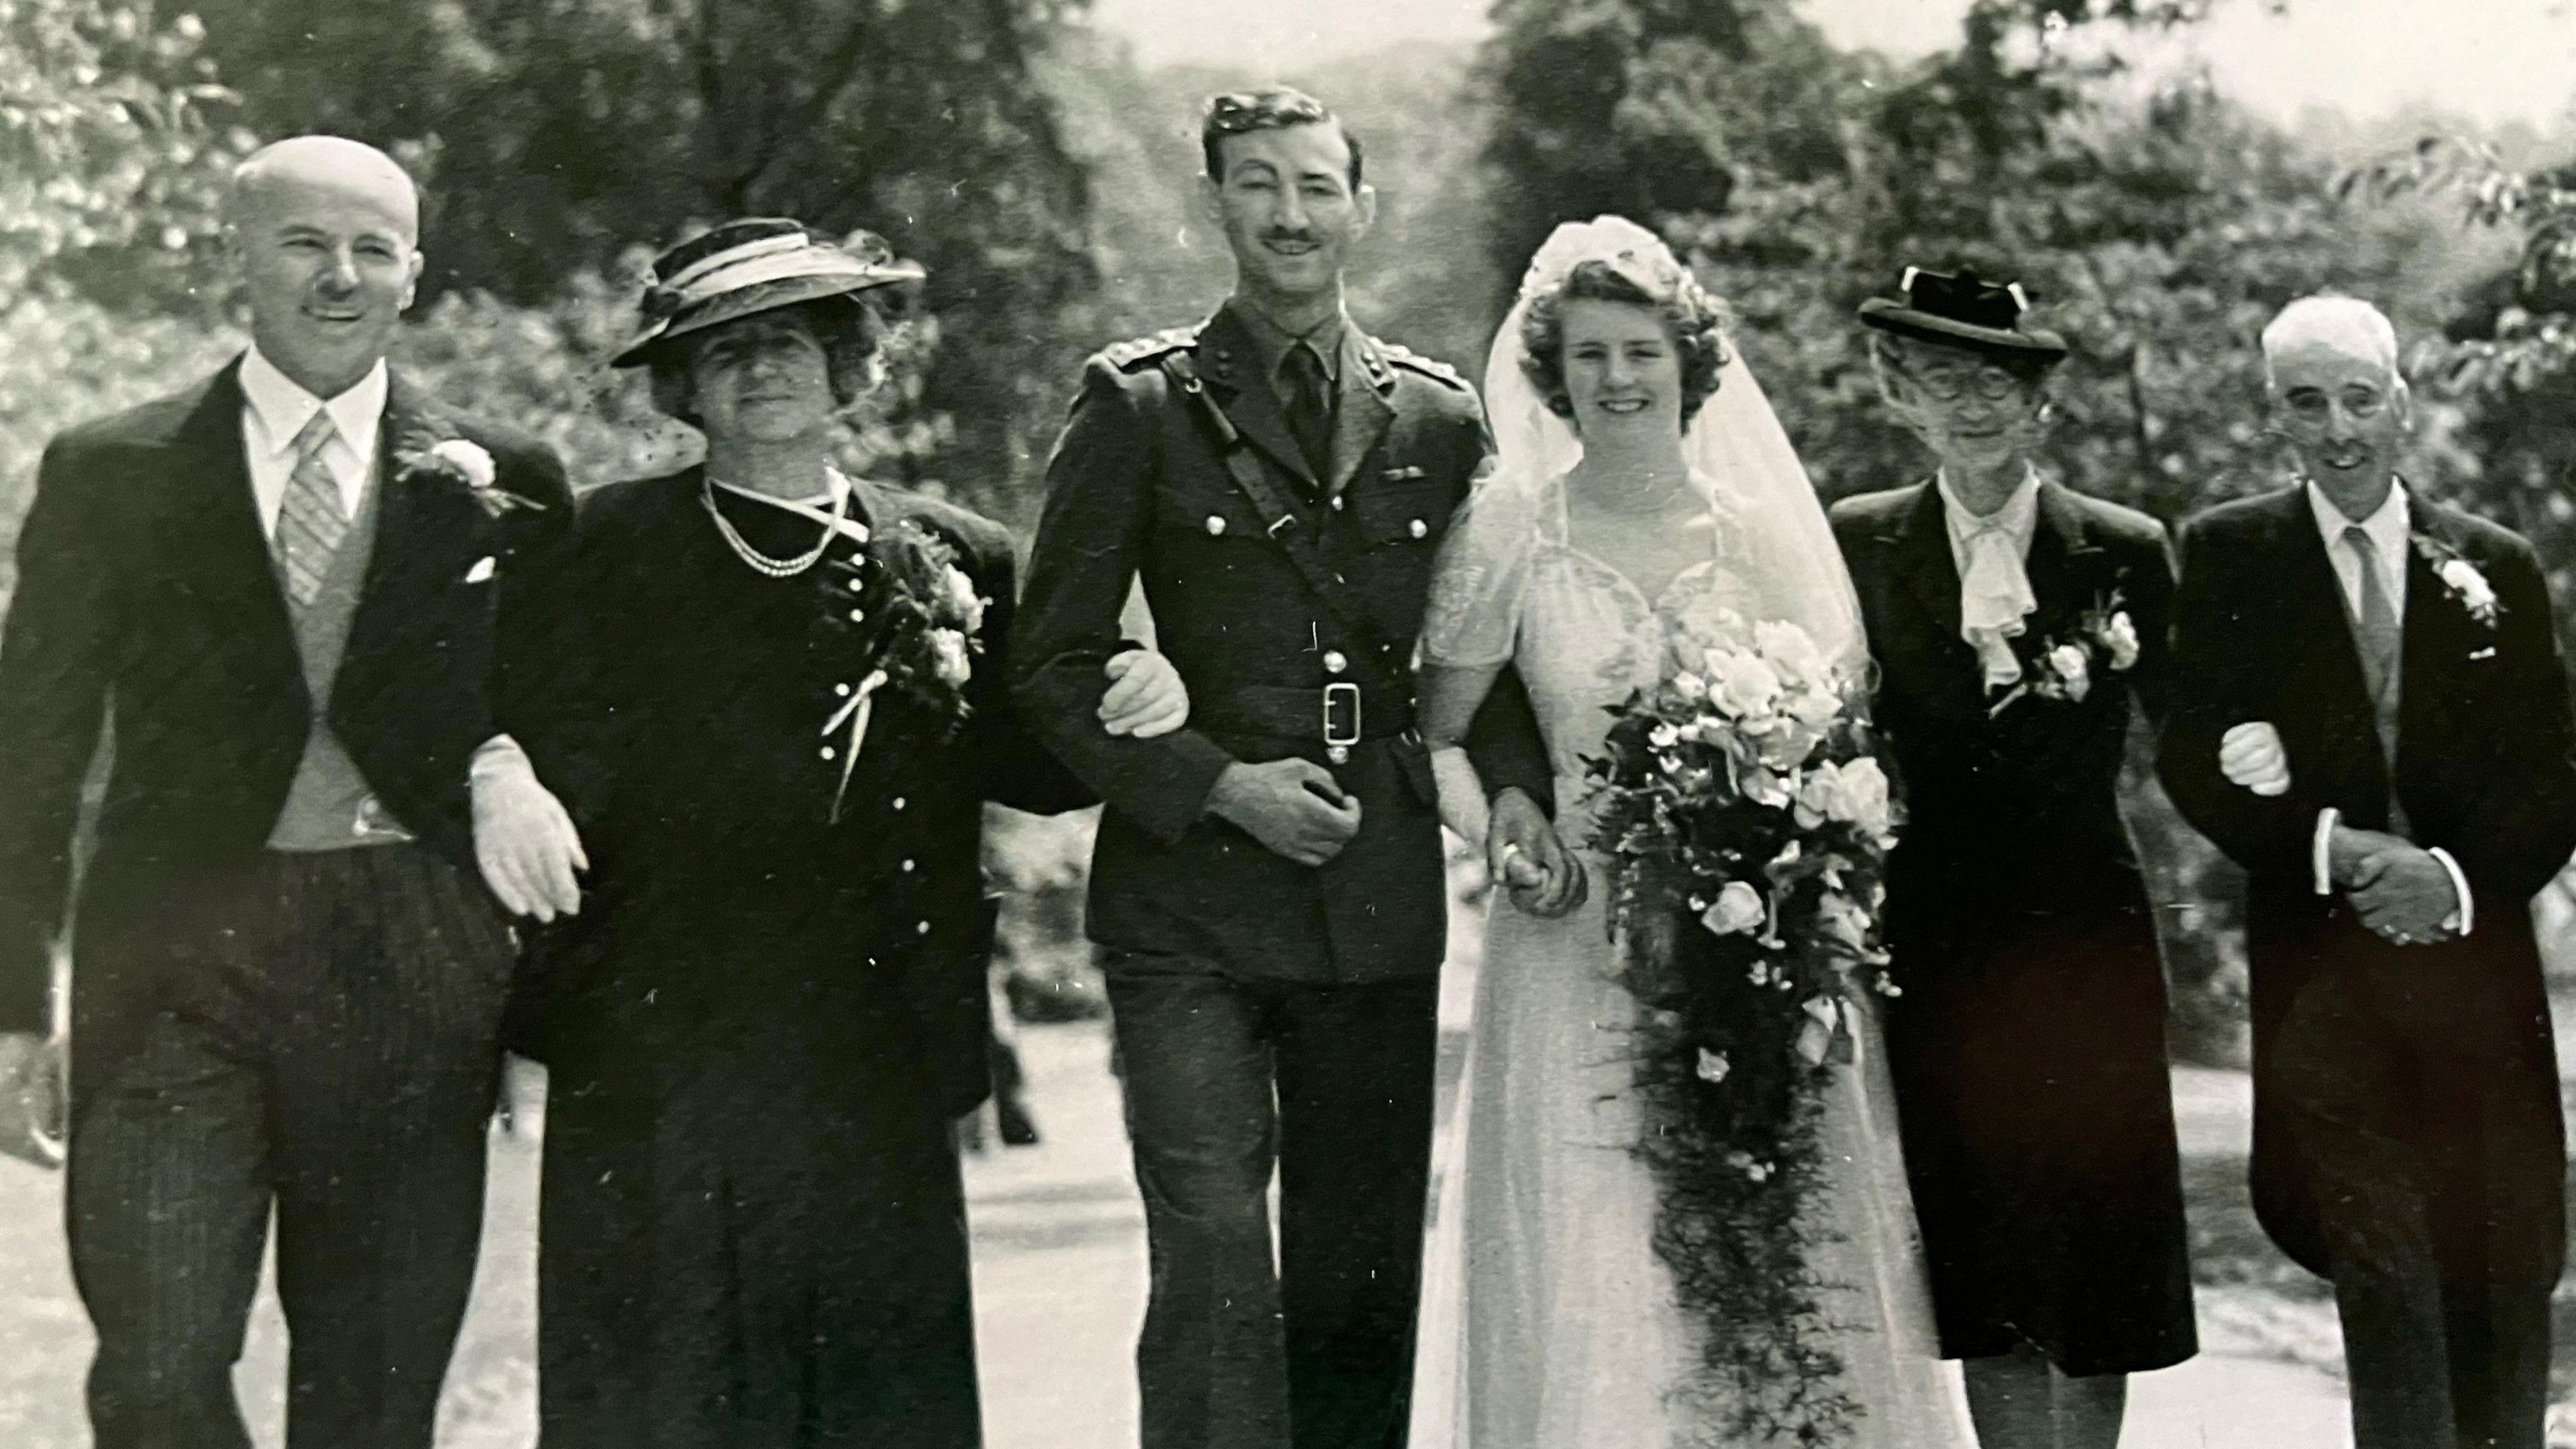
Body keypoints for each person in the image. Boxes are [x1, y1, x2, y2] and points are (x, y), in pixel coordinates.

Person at [506, 217, 1188, 1448]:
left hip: (870, 1037)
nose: (761, 369)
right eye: (725, 353)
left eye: (791, 341)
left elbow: (1044, 760)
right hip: (655, 1041)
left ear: (848, 364)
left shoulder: (952, 554)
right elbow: (515, 722)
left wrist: (1139, 692)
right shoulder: (602, 544)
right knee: (661, 1385)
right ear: (684, 390)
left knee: (875, 1388)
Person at [1010, 87, 1572, 1449]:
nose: (1289, 214)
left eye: (1317, 186)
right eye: (1258, 185)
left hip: (1370, 898)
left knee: (1360, 1269)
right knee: (1211, 1254)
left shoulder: (1439, 422)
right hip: (1187, 905)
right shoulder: (1139, 404)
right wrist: (1215, 783)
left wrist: (1510, 795)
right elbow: (1051, 664)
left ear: (1361, 207)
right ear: (1219, 205)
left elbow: (1482, 657)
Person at [0, 136, 583, 1447]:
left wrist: (508, 782)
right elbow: (26, 746)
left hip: (414, 961)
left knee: (374, 1389)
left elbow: (567, 729)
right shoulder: (113, 470)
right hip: (173, 959)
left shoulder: (506, 476)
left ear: (415, 276)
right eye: (304, 244)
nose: (341, 277)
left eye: (374, 248)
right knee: (153, 1363)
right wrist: (11, 1002)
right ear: (236, 265)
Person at [1403, 215, 1976, 1447]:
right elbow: (1436, 734)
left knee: (1772, 1240)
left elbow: (1837, 741)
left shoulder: (1759, 530)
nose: (1617, 380)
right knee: (1602, 1240)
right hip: (1575, 947)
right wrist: (1501, 832)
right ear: (1553, 373)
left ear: (1688, 362)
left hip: (1748, 951)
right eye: (1592, 355)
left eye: (1641, 352)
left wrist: (1793, 878)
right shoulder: (1514, 527)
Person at [2159, 295, 2576, 1449]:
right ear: (2274, 414)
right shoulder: (2232, 550)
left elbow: (2553, 773)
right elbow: (2194, 755)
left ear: (2401, 399)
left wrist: (2449, 876)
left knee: (2502, 1266)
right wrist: (2330, 849)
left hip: (2472, 970)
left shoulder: (2496, 563)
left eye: (2359, 397)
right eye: (2307, 402)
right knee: (2386, 1284)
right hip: (2327, 985)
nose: (2339, 428)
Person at [1829, 268, 2196, 1449]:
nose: (1972, 406)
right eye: (1942, 382)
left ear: (2041, 404)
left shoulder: (2121, 549)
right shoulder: (1861, 540)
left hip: (2088, 936)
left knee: (2096, 1252)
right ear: (1906, 401)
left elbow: (2188, 730)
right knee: (1981, 1249)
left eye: (1996, 382)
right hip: (1938, 944)